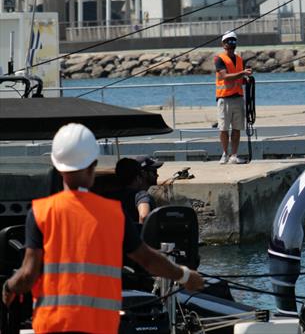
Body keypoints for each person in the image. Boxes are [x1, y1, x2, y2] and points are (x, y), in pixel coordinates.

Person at [1, 123, 204, 333]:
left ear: (57, 167)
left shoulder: (40, 213)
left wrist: (8, 288)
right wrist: (185, 276)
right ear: (93, 165)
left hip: (54, 325)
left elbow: (27, 275)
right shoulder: (113, 214)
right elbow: (148, 259)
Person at [215, 30, 252, 164]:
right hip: (224, 98)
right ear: (223, 44)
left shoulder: (240, 59)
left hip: (238, 98)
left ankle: (234, 155)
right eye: (229, 41)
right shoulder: (219, 59)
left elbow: (239, 79)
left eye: (233, 41)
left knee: (237, 128)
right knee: (223, 128)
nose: (232, 43)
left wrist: (246, 78)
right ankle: (225, 154)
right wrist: (243, 73)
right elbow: (224, 76)